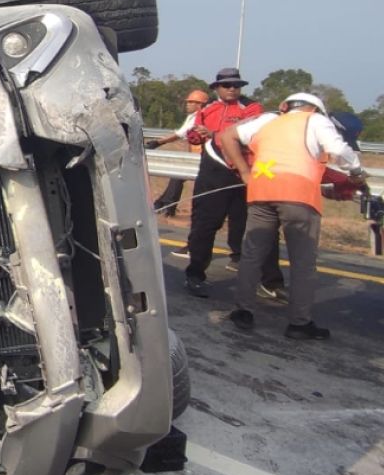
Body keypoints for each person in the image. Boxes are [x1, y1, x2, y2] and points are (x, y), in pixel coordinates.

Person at [220, 93, 366, 339]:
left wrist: (244, 171)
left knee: (252, 255)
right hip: (298, 196)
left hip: (260, 191)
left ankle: (242, 311)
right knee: (302, 263)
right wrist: (356, 172)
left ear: (285, 106)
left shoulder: (268, 120)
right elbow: (337, 149)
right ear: (315, 108)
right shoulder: (316, 120)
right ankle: (299, 323)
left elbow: (227, 136)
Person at [182, 68, 284, 298]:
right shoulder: (207, 110)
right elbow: (194, 136)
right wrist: (196, 134)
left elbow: (247, 134)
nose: (232, 89)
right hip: (213, 172)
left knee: (259, 226)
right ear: (216, 88)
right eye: (227, 85)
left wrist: (214, 133)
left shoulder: (252, 108)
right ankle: (195, 275)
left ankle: (271, 282)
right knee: (204, 225)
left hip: (245, 172)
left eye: (236, 85)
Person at [145, 89, 209, 222]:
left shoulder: (200, 116)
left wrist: (158, 142)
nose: (187, 104)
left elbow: (180, 134)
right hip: (198, 154)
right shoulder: (192, 116)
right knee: (177, 176)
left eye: (191, 102)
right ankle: (166, 204)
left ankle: (166, 205)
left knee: (179, 176)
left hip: (205, 156)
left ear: (200, 104)